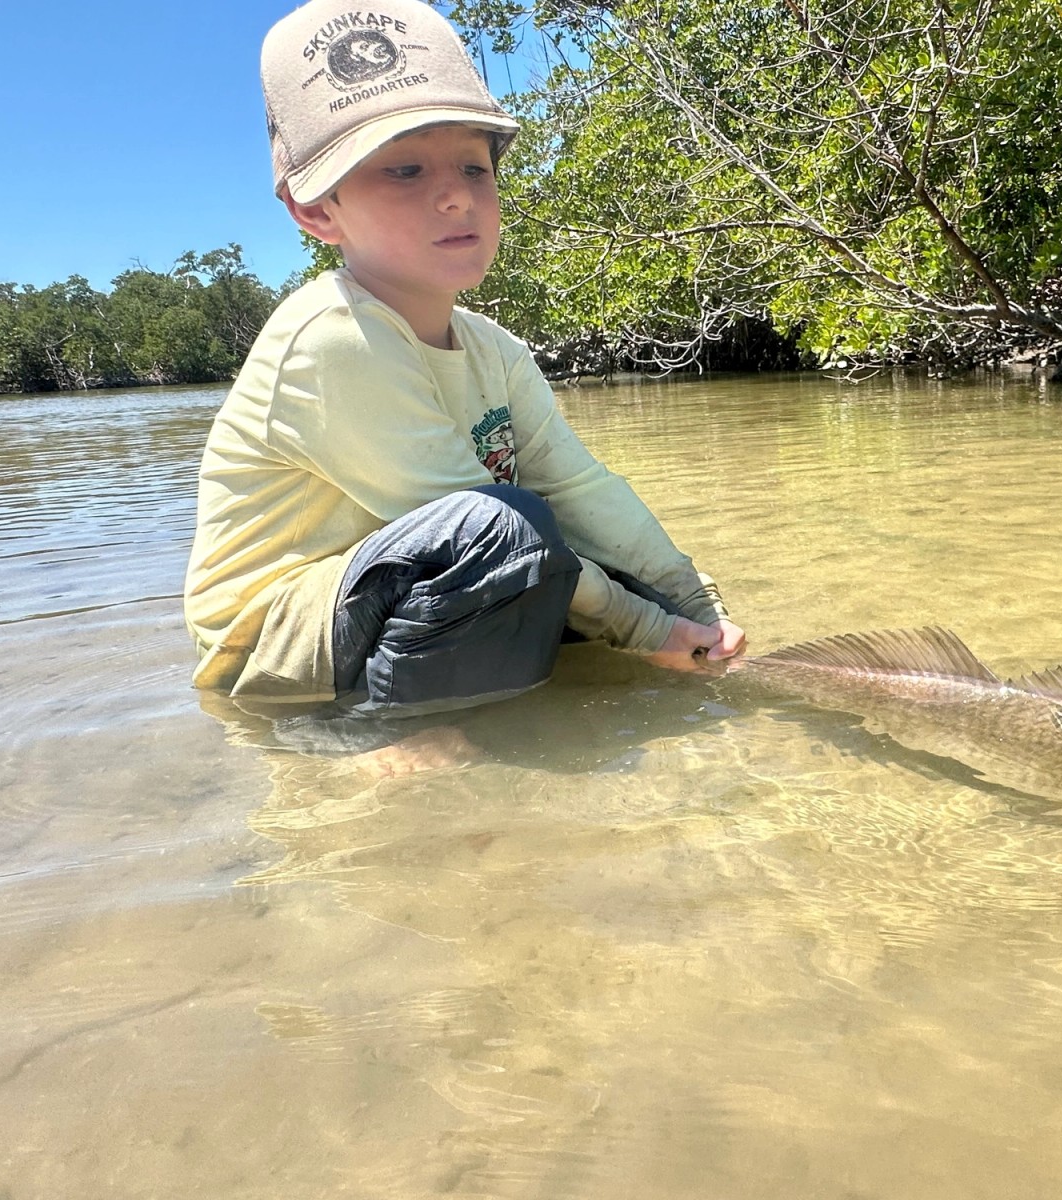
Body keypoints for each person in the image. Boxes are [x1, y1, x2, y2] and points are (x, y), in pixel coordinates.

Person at [183, 0, 745, 772]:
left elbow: (582, 488)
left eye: (474, 167)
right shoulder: (330, 338)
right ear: (316, 210)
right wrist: (646, 631)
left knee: (561, 540)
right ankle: (357, 740)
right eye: (405, 168)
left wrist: (695, 608)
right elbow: (475, 527)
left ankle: (487, 716)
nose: (456, 196)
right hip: (275, 651)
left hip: (405, 595)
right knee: (506, 531)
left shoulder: (496, 350)